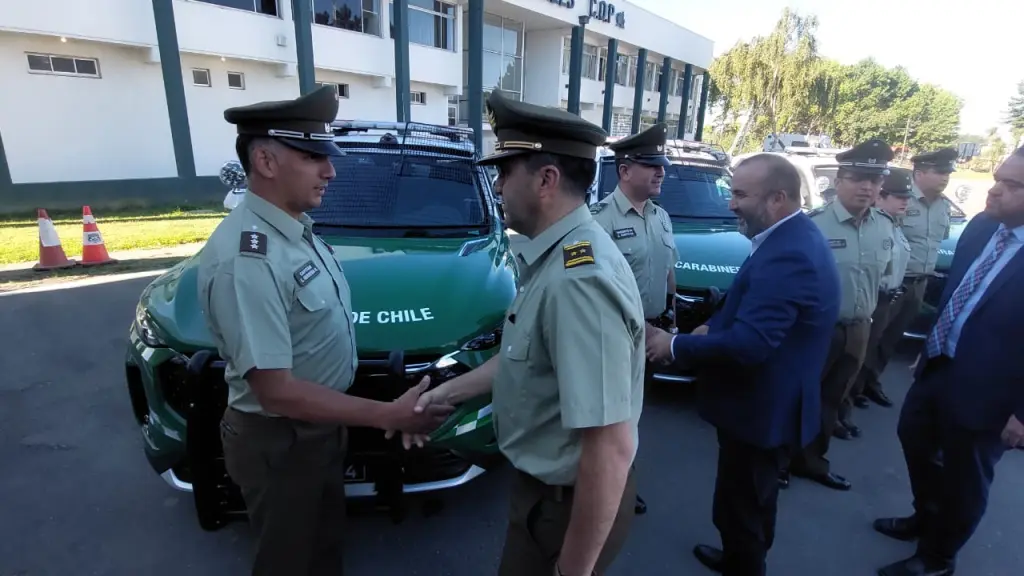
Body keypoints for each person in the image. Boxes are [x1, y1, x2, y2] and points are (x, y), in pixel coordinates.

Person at [196, 86, 455, 576]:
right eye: (314, 156)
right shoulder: (248, 259)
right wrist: (388, 414)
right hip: (282, 439)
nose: (331, 171)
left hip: (316, 428)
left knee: (321, 546)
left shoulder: (291, 228)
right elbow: (276, 392)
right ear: (266, 161)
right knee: (290, 560)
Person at [402, 90, 646, 576]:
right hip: (547, 496)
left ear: (546, 180)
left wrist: (572, 570)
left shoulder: (578, 281)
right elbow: (525, 354)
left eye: (504, 172)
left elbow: (609, 446)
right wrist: (443, 394)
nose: (496, 186)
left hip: (566, 506)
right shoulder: (557, 256)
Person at [644, 153, 841, 576]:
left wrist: (674, 345)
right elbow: (749, 304)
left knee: (745, 503)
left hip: (761, 408)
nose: (730, 203)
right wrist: (712, 327)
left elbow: (752, 343)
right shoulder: (789, 237)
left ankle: (744, 564)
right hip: (763, 403)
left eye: (739, 194)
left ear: (777, 198)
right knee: (747, 499)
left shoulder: (789, 253)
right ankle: (738, 556)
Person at [873, 147, 1024, 576]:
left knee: (965, 477)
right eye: (997, 178)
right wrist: (931, 346)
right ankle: (927, 517)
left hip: (994, 394)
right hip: (942, 365)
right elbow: (960, 292)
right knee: (914, 437)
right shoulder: (982, 226)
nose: (995, 190)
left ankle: (938, 557)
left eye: (1012, 185)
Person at [787, 138, 894, 492]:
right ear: (838, 181)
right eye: (858, 178)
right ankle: (779, 461)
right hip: (816, 329)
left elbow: (882, 276)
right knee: (797, 397)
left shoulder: (884, 226)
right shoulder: (813, 225)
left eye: (875, 180)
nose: (867, 187)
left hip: (860, 328)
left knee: (832, 399)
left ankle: (812, 461)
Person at [589, 122, 679, 516]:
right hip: (616, 336)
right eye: (651, 166)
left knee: (633, 416)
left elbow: (668, 270)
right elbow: (590, 289)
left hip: (653, 333)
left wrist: (672, 316)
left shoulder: (661, 217)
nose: (661, 173)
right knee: (612, 418)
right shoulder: (598, 221)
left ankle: (620, 479)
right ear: (624, 170)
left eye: (662, 166)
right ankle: (610, 487)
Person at [864, 148, 957, 407]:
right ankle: (852, 387)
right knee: (872, 337)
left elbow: (939, 239)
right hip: (893, 282)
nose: (945, 177)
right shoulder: (897, 198)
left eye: (948, 173)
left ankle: (870, 383)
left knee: (891, 339)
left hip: (920, 282)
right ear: (920, 173)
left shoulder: (943, 205)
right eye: (939, 172)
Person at [849, 168, 913, 410]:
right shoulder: (871, 226)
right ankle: (846, 400)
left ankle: (862, 388)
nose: (905, 202)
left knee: (878, 348)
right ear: (880, 197)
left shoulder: (893, 225)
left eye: (907, 197)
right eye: (899, 197)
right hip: (871, 298)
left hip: (891, 297)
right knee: (857, 354)